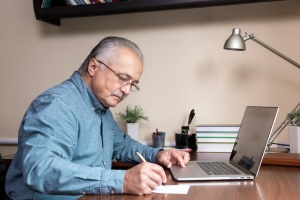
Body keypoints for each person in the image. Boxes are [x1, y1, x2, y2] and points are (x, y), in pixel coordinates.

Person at [5, 36, 190, 199]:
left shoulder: (102, 108)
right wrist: (123, 180)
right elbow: (40, 170)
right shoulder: (56, 104)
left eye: (133, 84)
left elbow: (122, 145)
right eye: (122, 78)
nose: (127, 90)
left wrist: (158, 154)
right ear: (93, 67)